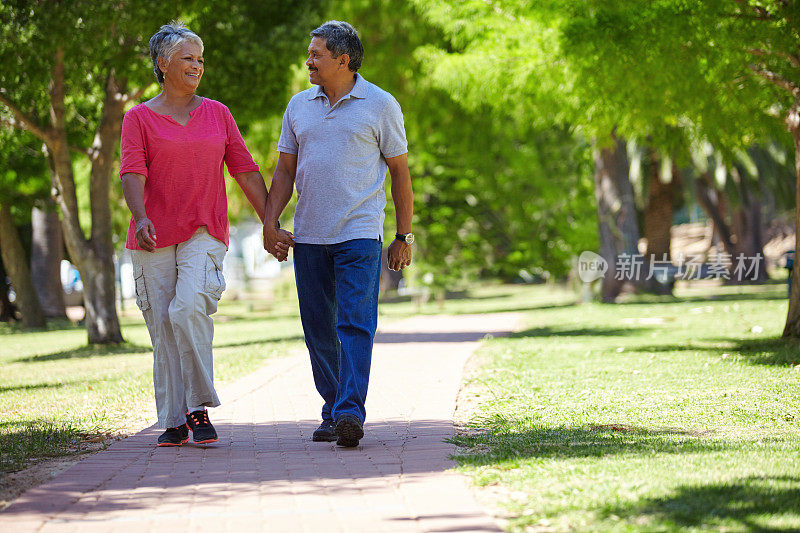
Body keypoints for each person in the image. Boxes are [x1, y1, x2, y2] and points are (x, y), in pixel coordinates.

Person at [120, 22, 292, 447]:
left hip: (203, 229)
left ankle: (197, 408)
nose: (197, 65)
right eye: (188, 58)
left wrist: (268, 222)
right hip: (153, 235)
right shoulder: (138, 118)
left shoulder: (217, 113)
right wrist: (140, 218)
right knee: (163, 326)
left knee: (187, 308)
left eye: (200, 59)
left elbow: (246, 171)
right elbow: (131, 172)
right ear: (163, 65)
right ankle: (174, 420)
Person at [263, 21, 414, 448]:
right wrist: (269, 222)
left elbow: (400, 173)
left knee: (355, 322)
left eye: (316, 54)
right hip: (309, 235)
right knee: (318, 328)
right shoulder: (298, 106)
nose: (308, 60)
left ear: (343, 60)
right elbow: (285, 171)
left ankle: (349, 411)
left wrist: (404, 236)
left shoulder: (381, 105)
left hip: (360, 234)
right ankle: (334, 408)